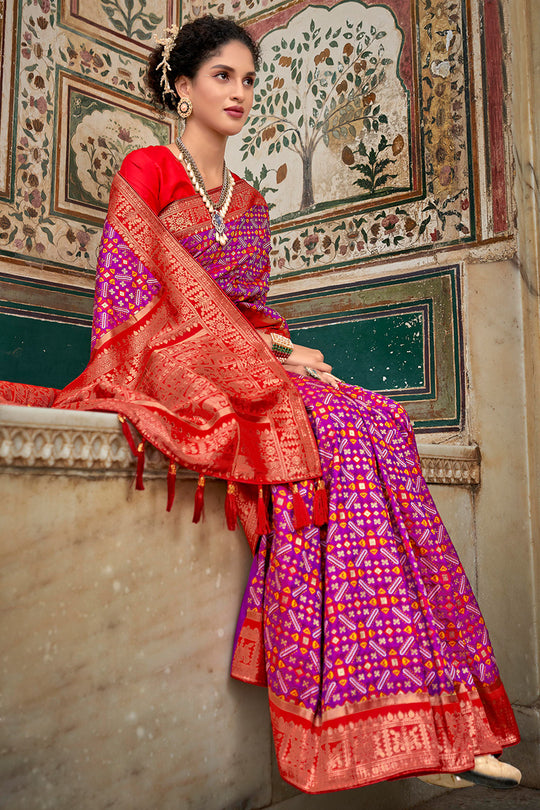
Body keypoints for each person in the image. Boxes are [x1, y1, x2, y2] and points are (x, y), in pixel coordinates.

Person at [4, 14, 521, 796]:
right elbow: (131, 300)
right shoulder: (147, 170)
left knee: (374, 421)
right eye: (223, 76)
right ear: (182, 87)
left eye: (249, 80)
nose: (241, 92)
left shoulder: (249, 202)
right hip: (161, 363)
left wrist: (279, 348)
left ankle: (442, 716)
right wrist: (268, 355)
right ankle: (355, 700)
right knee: (319, 427)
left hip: (240, 360)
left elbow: (246, 309)